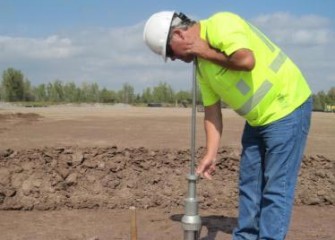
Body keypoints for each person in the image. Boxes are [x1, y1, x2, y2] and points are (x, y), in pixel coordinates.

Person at [143, 11, 312, 240]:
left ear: (179, 34)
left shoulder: (221, 25)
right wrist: (210, 153)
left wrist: (204, 50)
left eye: (170, 52)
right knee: (249, 184)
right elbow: (212, 111)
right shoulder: (203, 67)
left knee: (276, 188)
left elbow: (246, 60)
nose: (173, 59)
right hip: (258, 120)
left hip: (287, 107)